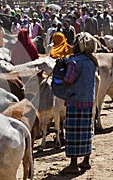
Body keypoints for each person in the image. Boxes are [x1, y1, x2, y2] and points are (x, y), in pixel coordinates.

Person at [60, 32, 97, 174]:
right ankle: (86, 160)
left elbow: (68, 80)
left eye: (75, 43)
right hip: (88, 101)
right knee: (87, 130)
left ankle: (73, 164)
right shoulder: (92, 61)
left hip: (75, 101)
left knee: (73, 132)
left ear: (80, 46)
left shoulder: (73, 61)